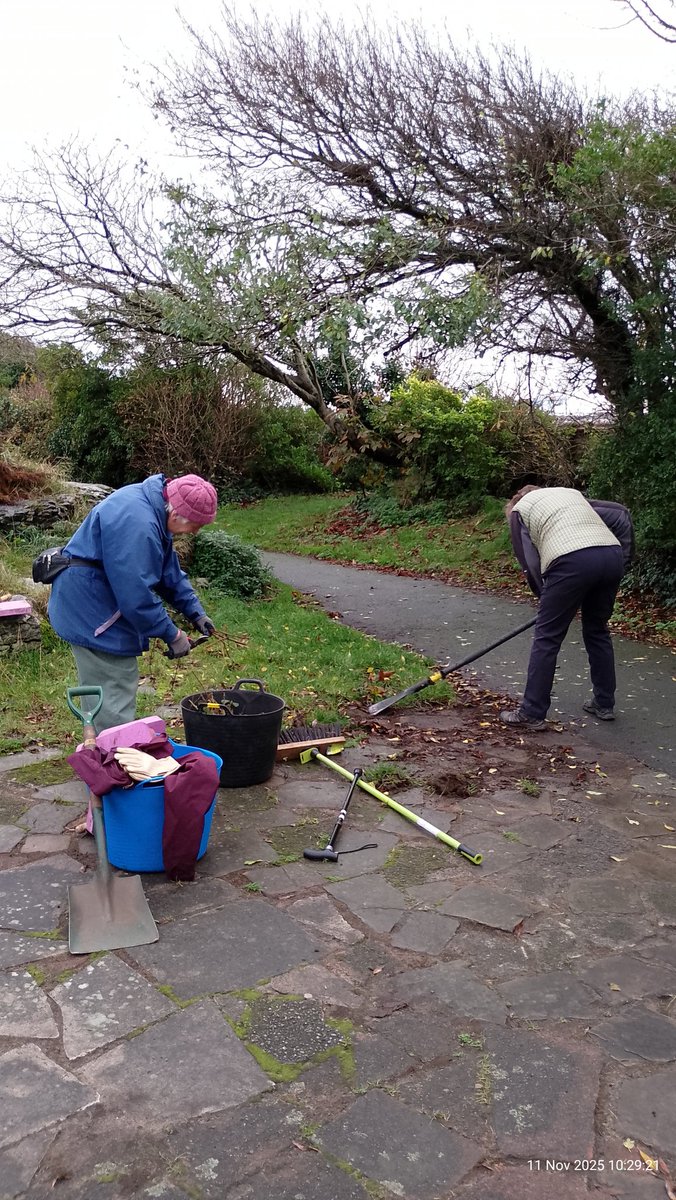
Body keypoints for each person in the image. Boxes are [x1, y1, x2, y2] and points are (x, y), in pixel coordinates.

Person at [49, 473, 218, 732]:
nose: (195, 532)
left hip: (96, 595)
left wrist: (195, 612)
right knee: (115, 680)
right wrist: (173, 635)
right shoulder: (139, 526)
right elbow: (136, 597)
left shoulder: (153, 506)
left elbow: (167, 571)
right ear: (176, 515)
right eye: (195, 526)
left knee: (102, 684)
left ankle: (99, 747)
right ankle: (117, 758)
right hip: (90, 607)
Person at [500, 485, 634, 731]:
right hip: (611, 555)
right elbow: (621, 513)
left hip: (571, 560)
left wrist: (545, 598)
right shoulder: (569, 496)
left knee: (547, 637)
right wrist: (620, 562)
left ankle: (531, 712)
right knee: (597, 630)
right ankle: (604, 704)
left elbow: (529, 562)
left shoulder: (519, 511)